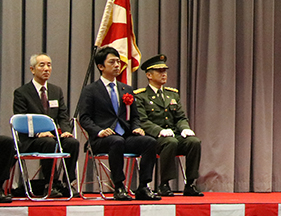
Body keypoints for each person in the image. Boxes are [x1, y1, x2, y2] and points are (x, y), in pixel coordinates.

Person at [78, 46, 161, 201]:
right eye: (112, 62)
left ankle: (143, 186)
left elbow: (135, 116)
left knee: (149, 142)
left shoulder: (126, 89)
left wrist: (136, 128)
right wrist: (99, 131)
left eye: (118, 61)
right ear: (101, 66)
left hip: (124, 135)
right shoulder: (91, 90)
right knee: (116, 142)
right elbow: (84, 118)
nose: (117, 65)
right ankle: (119, 186)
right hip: (102, 139)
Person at [12, 53, 80, 197]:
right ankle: (51, 184)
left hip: (53, 137)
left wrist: (66, 131)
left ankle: (68, 183)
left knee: (72, 142)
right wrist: (38, 133)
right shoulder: (22, 93)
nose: (46, 69)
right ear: (32, 69)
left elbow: (62, 115)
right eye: (41, 65)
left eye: (49, 65)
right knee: (48, 143)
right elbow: (22, 119)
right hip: (31, 139)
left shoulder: (56, 90)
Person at [135, 54, 203, 196]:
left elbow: (180, 117)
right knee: (170, 142)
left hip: (173, 134)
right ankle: (164, 184)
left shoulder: (172, 95)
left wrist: (185, 128)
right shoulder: (141, 96)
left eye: (164, 71)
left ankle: (190, 183)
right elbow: (143, 121)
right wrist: (159, 130)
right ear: (149, 75)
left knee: (194, 142)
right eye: (159, 71)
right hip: (154, 137)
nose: (163, 74)